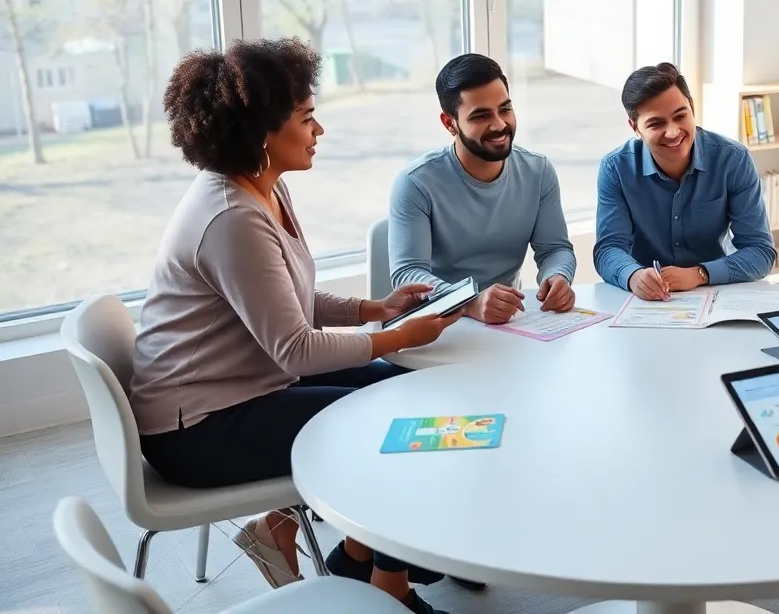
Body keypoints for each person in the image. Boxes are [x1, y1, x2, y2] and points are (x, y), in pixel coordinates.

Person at [131, 38, 458, 614]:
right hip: (200, 430)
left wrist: (374, 310)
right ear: (262, 132)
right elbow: (297, 351)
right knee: (393, 425)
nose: (320, 131)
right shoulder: (232, 218)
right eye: (307, 119)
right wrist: (400, 336)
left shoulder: (263, 187)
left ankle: (360, 558)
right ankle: (390, 585)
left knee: (403, 389)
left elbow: (292, 300)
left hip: (241, 391)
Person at [389, 53, 577, 324]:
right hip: (439, 324)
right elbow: (408, 273)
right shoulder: (416, 183)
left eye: (505, 109)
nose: (499, 124)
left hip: (507, 322)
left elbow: (554, 249)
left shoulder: (538, 171)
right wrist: (468, 302)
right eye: (481, 116)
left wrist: (557, 276)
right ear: (449, 123)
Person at [594, 62, 776, 299]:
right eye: (656, 123)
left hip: (714, 291)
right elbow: (608, 249)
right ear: (635, 127)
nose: (673, 132)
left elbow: (761, 252)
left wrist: (699, 274)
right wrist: (633, 275)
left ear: (692, 107)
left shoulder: (733, 160)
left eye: (680, 116)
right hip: (646, 298)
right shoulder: (616, 168)